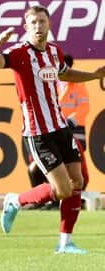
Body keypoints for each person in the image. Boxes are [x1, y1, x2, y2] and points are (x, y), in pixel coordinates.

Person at [0, 5, 105, 254]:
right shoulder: (18, 53)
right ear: (26, 27)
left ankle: (65, 242)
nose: (38, 26)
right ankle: (15, 201)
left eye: (42, 21)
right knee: (62, 190)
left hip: (61, 128)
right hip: (38, 134)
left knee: (77, 181)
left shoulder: (54, 52)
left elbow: (66, 73)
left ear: (49, 24)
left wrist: (93, 75)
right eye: (33, 22)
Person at [25, 54, 90, 209]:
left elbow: (84, 108)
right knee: (38, 167)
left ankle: (57, 202)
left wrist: (68, 122)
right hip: (49, 131)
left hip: (72, 132)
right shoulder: (46, 83)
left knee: (71, 171)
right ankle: (40, 201)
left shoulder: (78, 85)